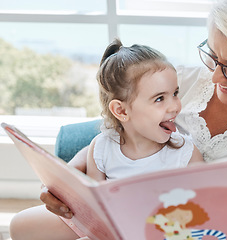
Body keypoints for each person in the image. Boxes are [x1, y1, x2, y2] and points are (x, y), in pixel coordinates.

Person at [13, 0, 227, 239]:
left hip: (189, 227)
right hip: (126, 209)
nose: (217, 77)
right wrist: (65, 182)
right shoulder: (181, 79)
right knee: (22, 227)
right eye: (213, 55)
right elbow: (114, 131)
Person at [9, 38, 203, 240]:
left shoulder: (185, 153)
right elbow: (95, 216)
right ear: (121, 110)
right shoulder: (101, 149)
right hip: (112, 233)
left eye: (175, 93)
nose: (175, 106)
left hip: (162, 231)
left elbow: (205, 210)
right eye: (160, 98)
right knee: (19, 227)